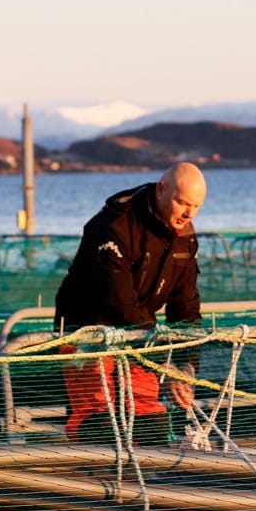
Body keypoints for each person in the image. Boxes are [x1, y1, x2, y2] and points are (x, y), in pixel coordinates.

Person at [54, 162, 207, 445]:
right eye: (183, 203)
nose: (189, 213)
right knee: (100, 422)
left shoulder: (185, 237)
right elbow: (119, 301)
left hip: (141, 338)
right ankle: (94, 485)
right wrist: (164, 363)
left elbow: (186, 303)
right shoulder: (113, 226)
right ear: (162, 189)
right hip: (88, 334)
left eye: (196, 206)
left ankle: (149, 484)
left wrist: (187, 365)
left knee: (151, 425)